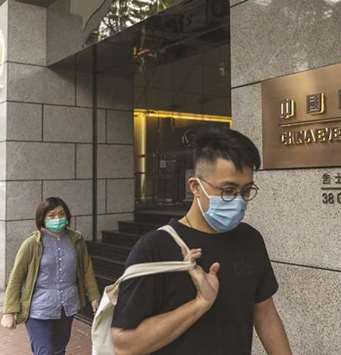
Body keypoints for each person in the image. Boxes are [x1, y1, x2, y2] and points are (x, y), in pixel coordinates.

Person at [110, 127, 292, 355]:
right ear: (195, 187)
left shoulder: (250, 239)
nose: (238, 200)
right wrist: (200, 304)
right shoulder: (155, 248)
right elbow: (124, 344)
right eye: (228, 190)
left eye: (246, 191)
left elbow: (265, 313)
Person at [1, 197, 100, 355]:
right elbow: (16, 277)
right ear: (42, 219)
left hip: (67, 306)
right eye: (52, 215)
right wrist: (9, 311)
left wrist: (94, 296)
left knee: (59, 349)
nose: (58, 218)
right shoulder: (32, 244)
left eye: (61, 214)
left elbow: (86, 269)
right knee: (44, 352)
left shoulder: (76, 240)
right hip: (38, 309)